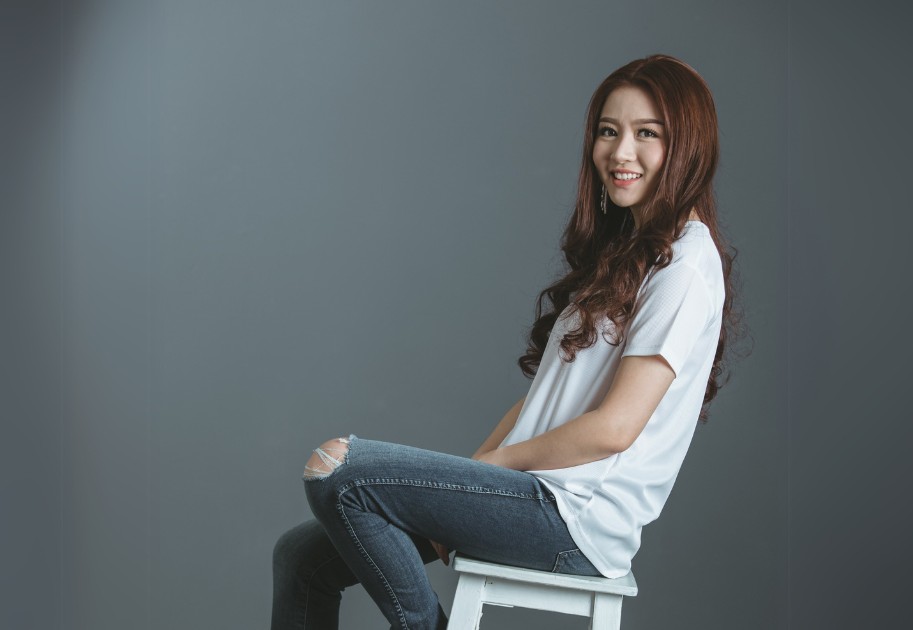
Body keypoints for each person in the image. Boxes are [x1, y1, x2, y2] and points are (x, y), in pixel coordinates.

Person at [271, 53, 739, 630]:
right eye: (608, 131)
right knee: (301, 558)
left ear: (689, 146)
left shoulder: (683, 266)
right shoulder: (628, 256)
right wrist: (468, 476)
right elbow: (542, 400)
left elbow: (615, 428)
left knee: (338, 469)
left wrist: (493, 466)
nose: (620, 152)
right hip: (529, 492)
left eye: (647, 134)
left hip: (573, 519)